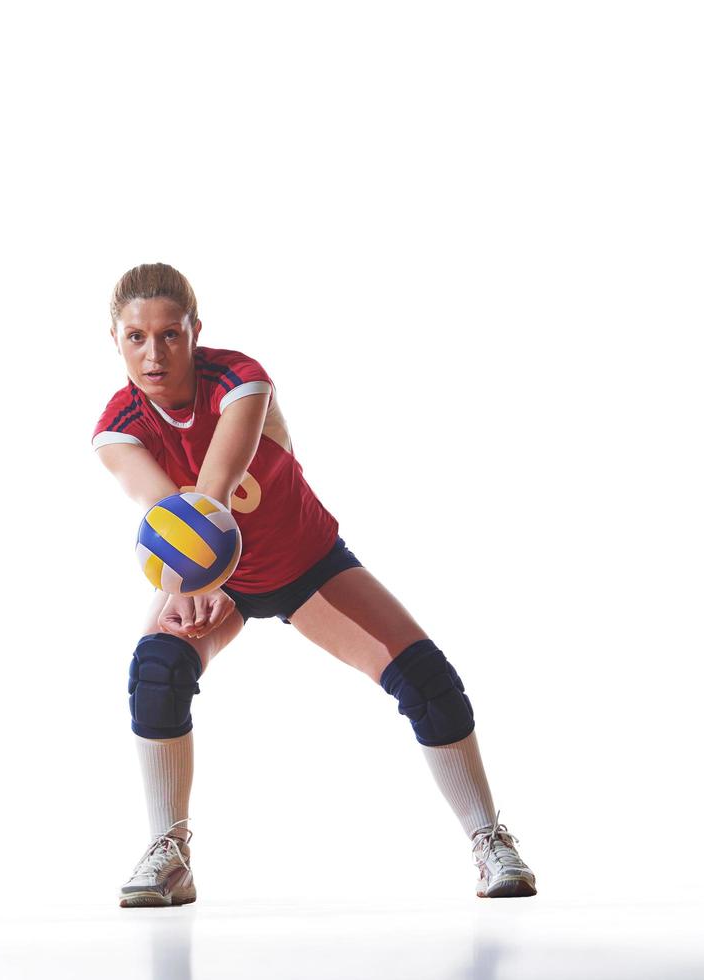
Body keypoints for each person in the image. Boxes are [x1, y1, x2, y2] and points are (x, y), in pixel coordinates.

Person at [93, 263, 536, 908]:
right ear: (115, 338)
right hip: (215, 576)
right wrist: (196, 578)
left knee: (427, 681)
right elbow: (164, 512)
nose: (154, 353)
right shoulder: (117, 427)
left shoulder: (241, 381)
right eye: (136, 337)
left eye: (170, 334)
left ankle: (490, 840)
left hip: (306, 564)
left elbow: (212, 488)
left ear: (195, 332)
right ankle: (170, 851)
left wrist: (204, 558)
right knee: (155, 673)